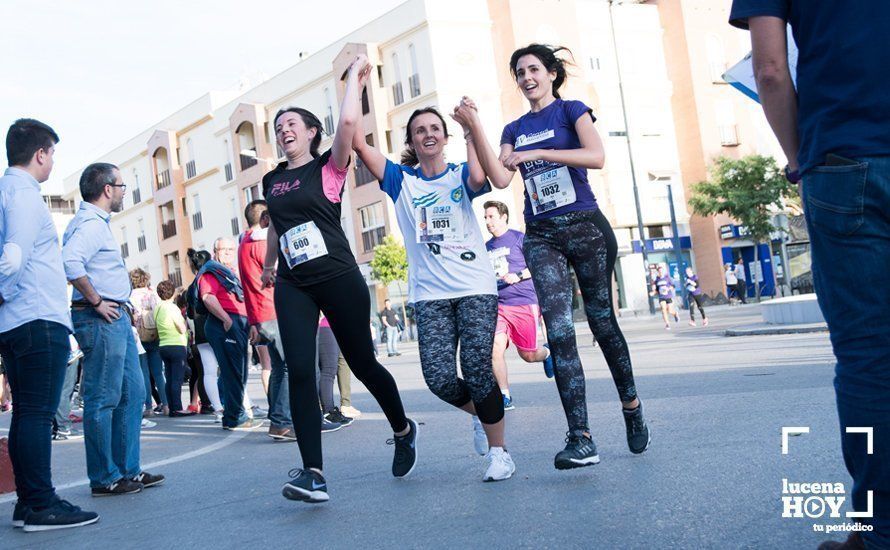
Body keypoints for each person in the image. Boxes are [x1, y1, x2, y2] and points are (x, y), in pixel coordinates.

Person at [731, 3, 890, 547]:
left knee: (870, 356)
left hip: (843, 159)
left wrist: (802, 160)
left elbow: (770, 69)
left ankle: (879, 532)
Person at [457, 43, 650, 470]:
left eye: (533, 70)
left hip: (586, 228)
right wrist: (475, 129)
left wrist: (540, 153)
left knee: (602, 323)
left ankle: (631, 406)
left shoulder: (572, 111)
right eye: (519, 73)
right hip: (542, 235)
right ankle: (581, 437)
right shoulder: (514, 128)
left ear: (551, 74)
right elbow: (501, 174)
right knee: (560, 333)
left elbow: (596, 156)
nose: (527, 78)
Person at [261, 54, 416, 503]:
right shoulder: (272, 179)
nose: (284, 130)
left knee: (363, 363)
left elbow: (349, 122)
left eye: (292, 123)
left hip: (337, 276)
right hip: (294, 283)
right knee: (300, 372)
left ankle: (403, 430)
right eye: (278, 126)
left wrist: (354, 81)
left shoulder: (329, 167)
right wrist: (270, 263)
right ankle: (313, 473)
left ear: (312, 132)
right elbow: (276, 223)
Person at [354, 93, 515, 482]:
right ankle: (484, 412)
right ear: (411, 141)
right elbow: (357, 141)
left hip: (475, 286)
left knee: (478, 370)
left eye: (434, 129)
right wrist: (354, 86)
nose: (427, 135)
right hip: (430, 296)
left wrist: (471, 127)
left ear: (444, 137)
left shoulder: (459, 174)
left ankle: (500, 453)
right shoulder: (399, 180)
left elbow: (484, 178)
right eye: (419, 131)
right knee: (439, 378)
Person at [0, 118, 99, 530]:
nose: (53, 160)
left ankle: (28, 501)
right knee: (38, 414)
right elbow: (13, 258)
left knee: (27, 413)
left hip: (18, 321)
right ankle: (41, 503)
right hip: (36, 317)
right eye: (52, 153)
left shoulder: (6, 190)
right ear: (40, 154)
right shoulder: (23, 193)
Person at [62, 162, 164, 497]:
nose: (123, 191)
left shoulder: (96, 223)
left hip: (114, 317)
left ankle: (128, 471)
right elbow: (70, 262)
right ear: (107, 189)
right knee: (103, 398)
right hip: (99, 318)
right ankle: (105, 477)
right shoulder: (90, 224)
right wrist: (97, 301)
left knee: (133, 394)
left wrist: (123, 304)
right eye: (121, 185)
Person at [483, 200, 554, 411]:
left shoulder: (519, 239)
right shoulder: (486, 247)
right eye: (485, 217)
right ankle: (504, 396)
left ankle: (547, 354)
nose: (487, 222)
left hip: (523, 301)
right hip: (499, 305)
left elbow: (540, 265)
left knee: (528, 355)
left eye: (491, 216)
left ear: (503, 216)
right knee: (495, 349)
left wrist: (519, 275)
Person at [238, 200, 293, 440]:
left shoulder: (244, 244)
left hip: (262, 313)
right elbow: (279, 273)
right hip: (272, 311)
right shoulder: (261, 243)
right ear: (264, 220)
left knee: (280, 367)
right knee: (287, 367)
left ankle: (279, 420)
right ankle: (282, 421)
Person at [190, 239, 258, 431]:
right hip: (225, 324)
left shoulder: (227, 273)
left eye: (231, 249)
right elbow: (207, 297)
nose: (228, 252)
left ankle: (232, 416)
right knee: (233, 372)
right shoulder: (213, 271)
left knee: (237, 372)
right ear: (215, 251)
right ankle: (235, 417)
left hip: (237, 323)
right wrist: (226, 319)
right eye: (224, 249)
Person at [185, 250, 224, 419]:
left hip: (201, 334)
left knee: (208, 372)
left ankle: (217, 409)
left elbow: (191, 314)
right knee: (226, 369)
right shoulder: (210, 279)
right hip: (216, 328)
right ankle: (235, 405)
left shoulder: (190, 287)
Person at [129, 268, 168, 416]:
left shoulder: (130, 296)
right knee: (158, 373)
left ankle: (149, 407)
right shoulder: (152, 294)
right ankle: (166, 405)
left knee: (143, 373)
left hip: (139, 337)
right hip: (154, 335)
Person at [154, 281, 193, 417]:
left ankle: (171, 407)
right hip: (176, 345)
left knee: (169, 378)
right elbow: (181, 328)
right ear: (172, 293)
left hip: (163, 345)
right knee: (177, 379)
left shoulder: (158, 308)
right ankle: (177, 408)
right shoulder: (173, 308)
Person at [651, 264, 679, 330]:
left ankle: (675, 314)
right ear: (658, 272)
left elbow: (673, 286)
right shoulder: (657, 280)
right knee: (663, 310)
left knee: (669, 310)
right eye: (659, 271)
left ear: (663, 271)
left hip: (668, 296)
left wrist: (668, 289)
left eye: (661, 271)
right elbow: (656, 290)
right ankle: (667, 324)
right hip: (661, 297)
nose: (660, 272)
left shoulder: (667, 278)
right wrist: (653, 292)